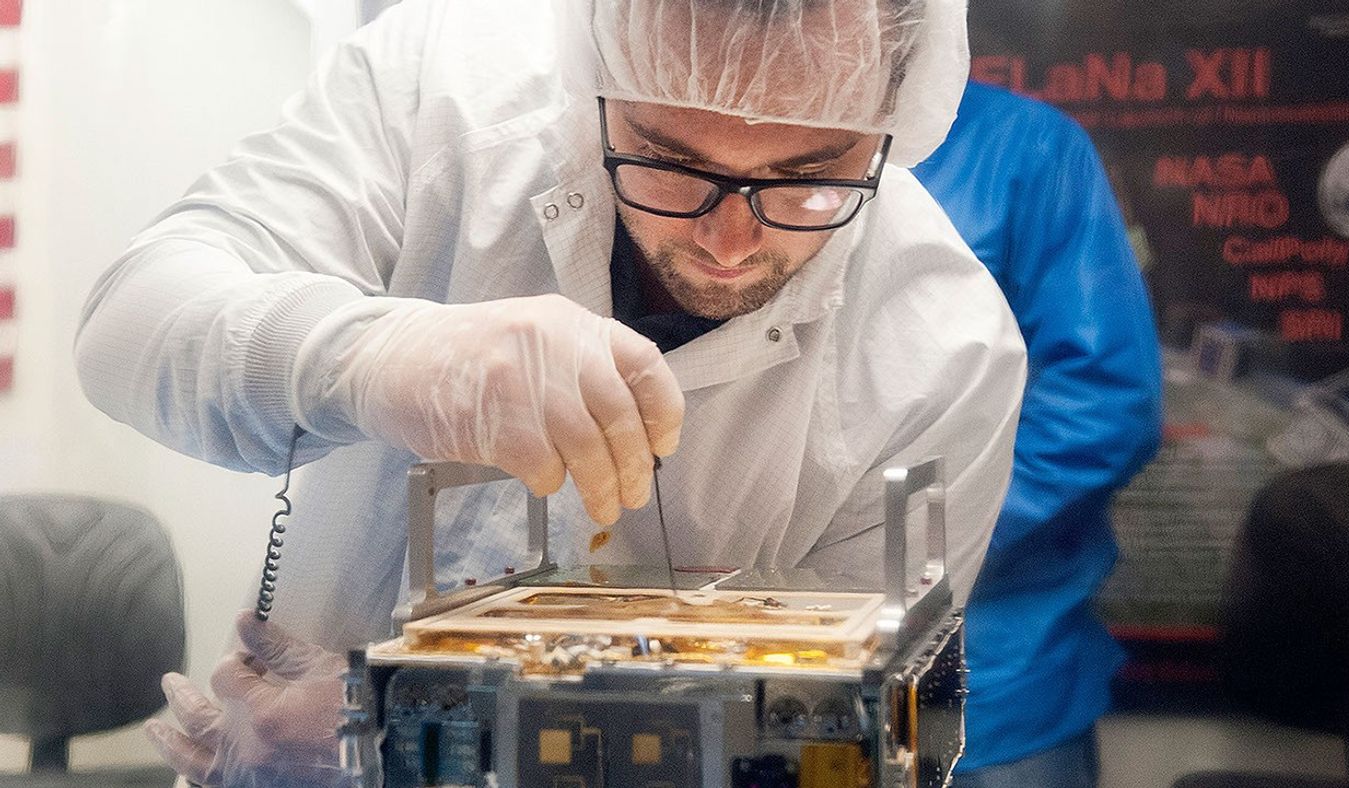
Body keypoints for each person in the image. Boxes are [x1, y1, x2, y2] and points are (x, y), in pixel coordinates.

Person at [76, 1, 1026, 784]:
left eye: (808, 181)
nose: (727, 242)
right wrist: (373, 356)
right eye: (667, 162)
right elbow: (131, 321)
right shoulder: (442, 91)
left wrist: (412, 739)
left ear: (897, 126)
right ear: (596, 78)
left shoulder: (942, 355)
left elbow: (840, 738)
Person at [911, 81, 1163, 787]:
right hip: (772, 665)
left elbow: (1102, 403)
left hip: (993, 679)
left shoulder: (1026, 147)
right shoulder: (729, 145)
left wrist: (918, 545)